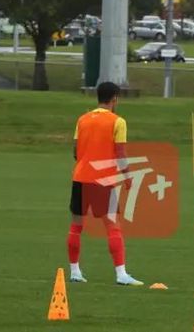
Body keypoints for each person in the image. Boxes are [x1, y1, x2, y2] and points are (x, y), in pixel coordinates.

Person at [67, 81, 143, 286]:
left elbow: (75, 150)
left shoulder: (82, 119)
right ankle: (121, 274)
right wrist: (127, 176)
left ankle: (74, 271)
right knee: (113, 227)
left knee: (76, 226)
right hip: (102, 181)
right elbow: (120, 153)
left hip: (80, 178)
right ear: (115, 98)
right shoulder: (118, 122)